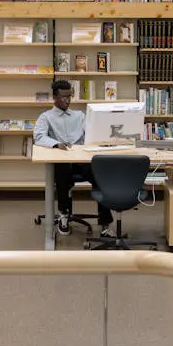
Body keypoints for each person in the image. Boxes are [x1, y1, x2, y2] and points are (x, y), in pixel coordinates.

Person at [34, 80, 114, 237]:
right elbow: (38, 137)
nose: (68, 100)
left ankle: (105, 223)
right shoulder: (46, 117)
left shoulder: (79, 116)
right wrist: (56, 143)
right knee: (62, 172)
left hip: (81, 161)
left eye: (69, 96)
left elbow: (92, 132)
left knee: (100, 175)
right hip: (62, 162)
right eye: (64, 96)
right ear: (55, 97)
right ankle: (64, 214)